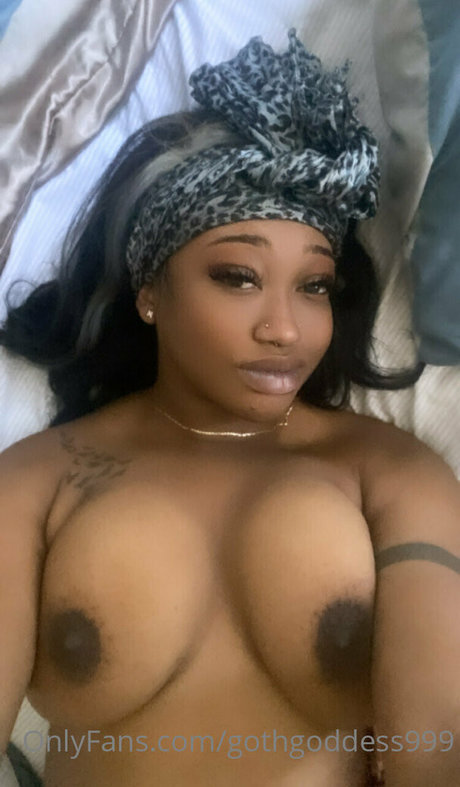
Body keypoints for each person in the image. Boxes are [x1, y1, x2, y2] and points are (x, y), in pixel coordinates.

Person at [0, 29, 459, 787]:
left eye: (314, 286)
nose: (285, 329)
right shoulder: (35, 481)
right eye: (239, 276)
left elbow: (437, 748)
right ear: (150, 289)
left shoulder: (390, 475)